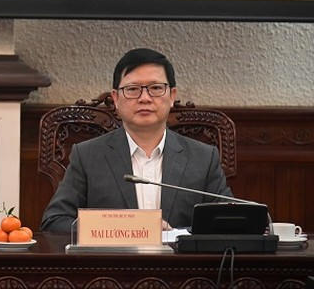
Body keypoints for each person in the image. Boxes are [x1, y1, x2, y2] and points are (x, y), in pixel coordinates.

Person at [40, 48, 232, 233]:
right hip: (112, 257)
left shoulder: (203, 158)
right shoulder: (88, 156)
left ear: (172, 96)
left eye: (156, 88)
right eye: (132, 89)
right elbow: (55, 221)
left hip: (178, 256)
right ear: (116, 98)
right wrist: (124, 228)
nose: (145, 98)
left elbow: (227, 221)